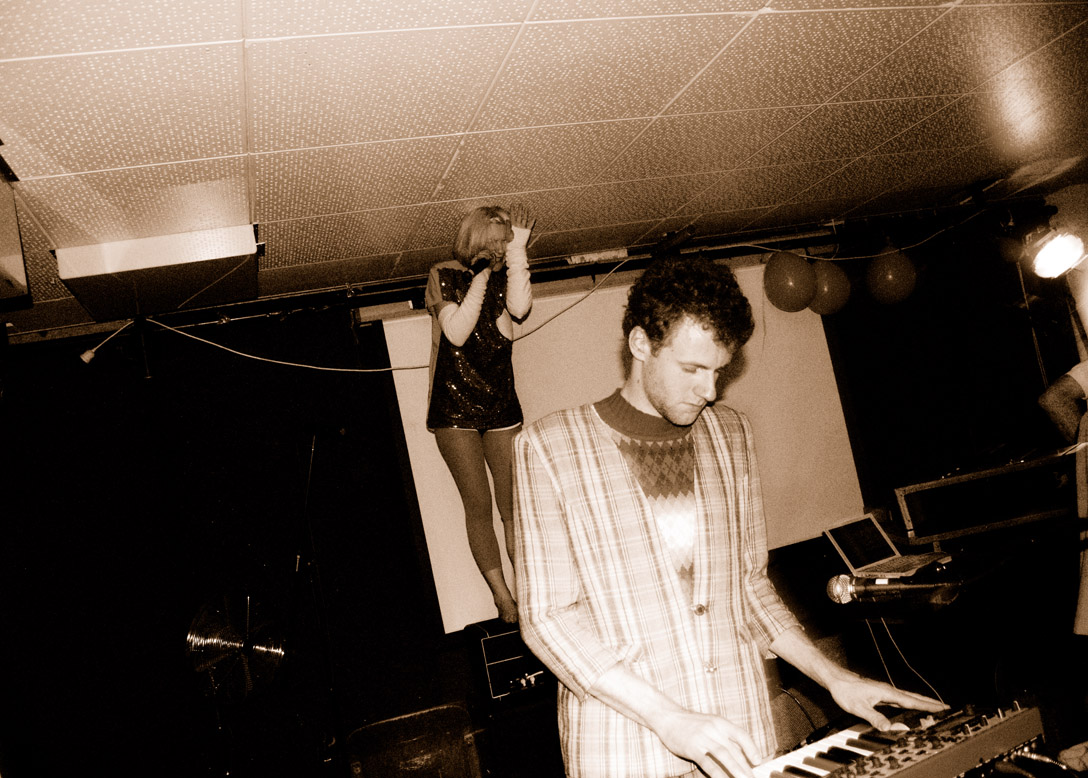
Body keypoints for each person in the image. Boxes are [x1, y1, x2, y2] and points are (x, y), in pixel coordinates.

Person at [513, 255, 947, 778]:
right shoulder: (549, 447)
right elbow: (547, 618)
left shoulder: (731, 434)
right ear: (641, 344)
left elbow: (748, 585)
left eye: (719, 371)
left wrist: (835, 678)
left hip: (738, 734)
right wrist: (668, 718)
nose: (710, 391)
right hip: (625, 745)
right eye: (692, 369)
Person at [426, 204, 535, 623]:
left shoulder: (509, 275)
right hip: (454, 405)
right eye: (494, 241)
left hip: (500, 403)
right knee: (479, 504)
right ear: (473, 240)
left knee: (513, 505)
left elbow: (520, 310)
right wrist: (482, 274)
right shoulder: (443, 274)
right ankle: (502, 596)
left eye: (506, 240)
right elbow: (457, 332)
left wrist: (519, 253)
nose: (501, 248)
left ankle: (529, 588)